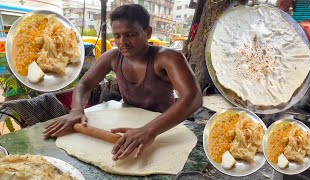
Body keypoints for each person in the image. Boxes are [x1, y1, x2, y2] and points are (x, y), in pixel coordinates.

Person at [44, 4, 202, 161]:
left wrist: (149, 131)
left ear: (147, 32)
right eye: (117, 36)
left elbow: (193, 98)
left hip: (164, 127)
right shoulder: (112, 56)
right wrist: (76, 110)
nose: (122, 41)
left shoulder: (167, 58)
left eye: (130, 34)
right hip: (127, 122)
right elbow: (84, 85)